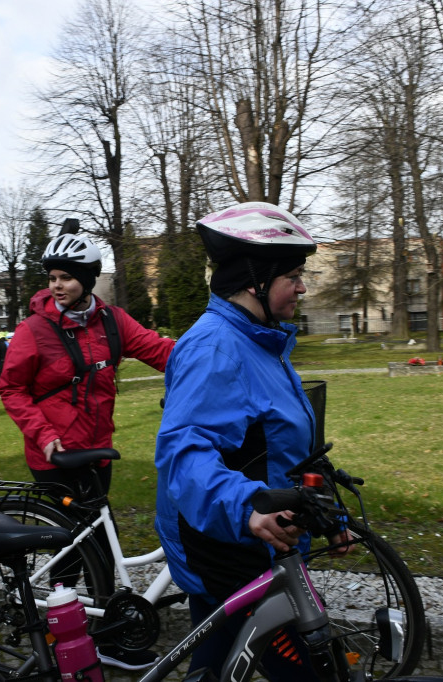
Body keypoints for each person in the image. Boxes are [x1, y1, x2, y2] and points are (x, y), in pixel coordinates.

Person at [154, 202, 354, 681]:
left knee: (217, 664)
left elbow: (285, 446)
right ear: (254, 281)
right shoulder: (216, 348)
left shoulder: (262, 341)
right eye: (293, 275)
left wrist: (328, 509)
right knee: (315, 672)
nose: (302, 286)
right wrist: (246, 506)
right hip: (227, 543)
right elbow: (183, 451)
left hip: (262, 539)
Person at [0, 233, 174, 670]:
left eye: (68, 278)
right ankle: (71, 642)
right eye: (53, 278)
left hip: (96, 451)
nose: (58, 286)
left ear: (89, 279)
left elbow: (159, 350)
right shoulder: (35, 330)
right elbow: (12, 388)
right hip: (55, 455)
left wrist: (211, 356)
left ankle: (101, 630)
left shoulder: (111, 322)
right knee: (73, 551)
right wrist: (42, 434)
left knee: (98, 541)